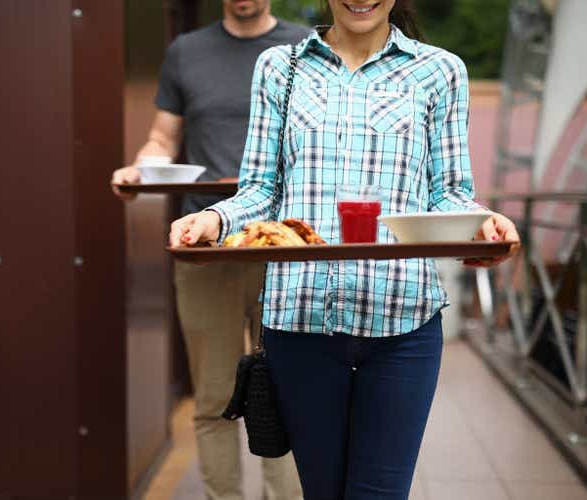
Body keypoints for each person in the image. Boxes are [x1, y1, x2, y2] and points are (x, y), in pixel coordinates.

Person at [169, 0, 521, 498]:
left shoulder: (440, 70)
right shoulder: (280, 67)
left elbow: (449, 192)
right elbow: (260, 189)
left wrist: (484, 222)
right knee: (322, 491)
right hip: (301, 322)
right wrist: (212, 218)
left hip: (402, 323)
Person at [111, 1, 308, 499]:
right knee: (214, 395)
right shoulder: (186, 51)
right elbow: (162, 136)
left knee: (287, 391)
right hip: (206, 245)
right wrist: (141, 167)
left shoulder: (304, 46)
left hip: (281, 246)